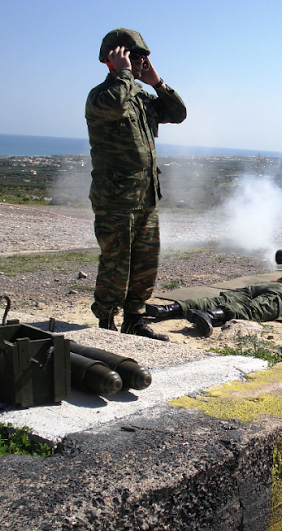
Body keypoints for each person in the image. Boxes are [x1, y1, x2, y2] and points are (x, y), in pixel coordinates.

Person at [85, 28, 186, 340]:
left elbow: (178, 113)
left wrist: (156, 82)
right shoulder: (103, 96)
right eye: (134, 55)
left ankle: (135, 319)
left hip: (145, 198)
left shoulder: (142, 98)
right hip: (116, 199)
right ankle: (106, 322)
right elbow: (116, 104)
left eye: (144, 56)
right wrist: (125, 73)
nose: (141, 61)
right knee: (116, 264)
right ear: (112, 59)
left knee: (144, 265)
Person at [145, 245, 282, 337]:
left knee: (223, 297)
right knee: (252, 310)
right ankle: (209, 317)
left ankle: (168, 309)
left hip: (270, 285)